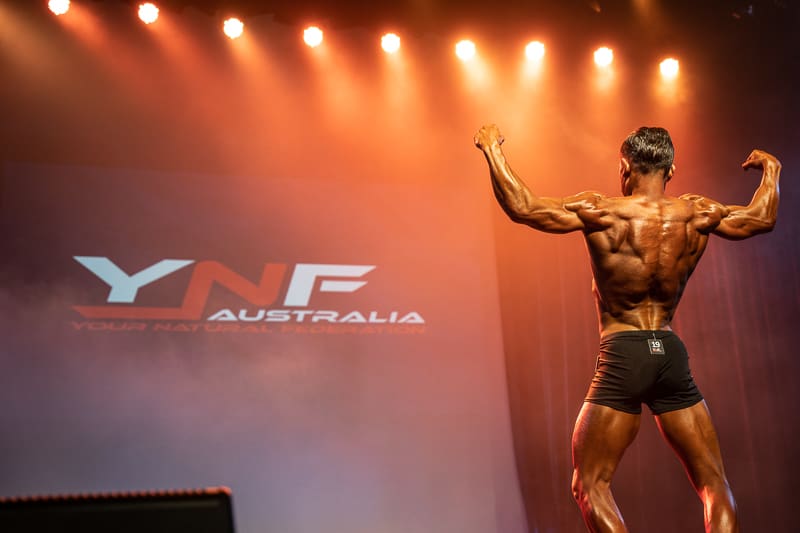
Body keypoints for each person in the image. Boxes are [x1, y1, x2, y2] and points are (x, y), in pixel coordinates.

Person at [474, 124, 781, 533]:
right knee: (714, 484)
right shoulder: (697, 213)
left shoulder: (602, 210)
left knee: (589, 484)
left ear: (625, 167)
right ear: (670, 171)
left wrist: (492, 149)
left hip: (624, 353)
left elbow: (523, 206)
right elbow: (761, 217)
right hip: (669, 352)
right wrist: (772, 170)